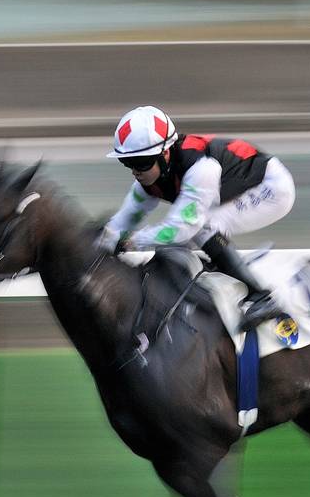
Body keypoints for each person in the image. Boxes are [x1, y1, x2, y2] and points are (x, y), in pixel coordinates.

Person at [96, 105, 296, 331]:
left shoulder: (201, 168)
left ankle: (262, 297)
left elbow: (182, 228)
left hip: (271, 188)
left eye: (141, 162)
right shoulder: (149, 178)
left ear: (165, 153)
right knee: (185, 238)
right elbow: (124, 220)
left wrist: (132, 241)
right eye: (128, 163)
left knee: (202, 229)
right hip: (235, 188)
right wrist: (102, 242)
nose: (135, 171)